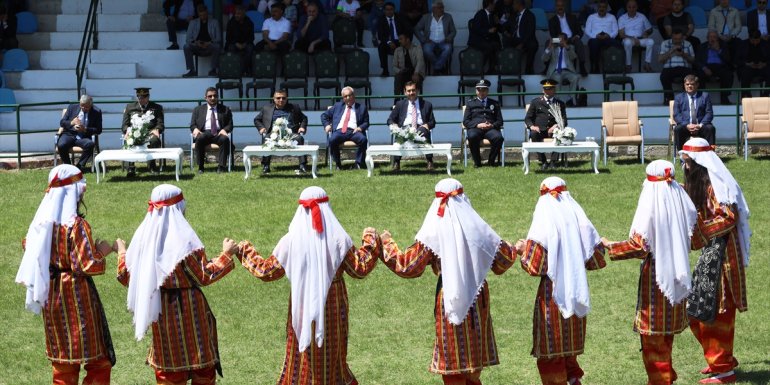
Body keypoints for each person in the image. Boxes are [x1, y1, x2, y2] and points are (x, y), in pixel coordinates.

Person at [378, 178, 518, 385]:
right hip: (478, 296)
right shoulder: (478, 227)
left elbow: (408, 266)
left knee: (453, 362)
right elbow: (503, 261)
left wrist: (386, 243)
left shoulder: (434, 229)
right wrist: (518, 247)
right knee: (472, 359)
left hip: (449, 293)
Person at [237, 186, 381, 385]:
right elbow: (359, 268)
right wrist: (371, 239)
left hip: (302, 304)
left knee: (301, 357)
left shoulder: (291, 240)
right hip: (333, 305)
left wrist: (245, 249)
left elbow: (267, 271)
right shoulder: (339, 239)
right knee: (332, 358)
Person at [116, 184, 239, 385]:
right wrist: (226, 254)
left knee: (169, 371)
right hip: (191, 311)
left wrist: (122, 252)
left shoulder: (144, 241)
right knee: (202, 369)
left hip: (161, 310)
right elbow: (203, 275)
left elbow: (125, 276)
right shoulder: (184, 241)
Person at [15, 164, 117, 384]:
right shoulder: (76, 226)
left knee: (63, 362)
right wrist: (104, 250)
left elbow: (29, 247)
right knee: (98, 359)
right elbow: (87, 265)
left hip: (51, 292)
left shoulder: (40, 224)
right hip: (76, 296)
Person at [602, 160, 697, 385]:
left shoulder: (652, 200)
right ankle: (666, 377)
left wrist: (610, 245)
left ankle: (660, 380)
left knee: (653, 336)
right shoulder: (681, 198)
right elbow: (698, 236)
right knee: (666, 335)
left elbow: (639, 245)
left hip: (657, 276)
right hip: (679, 271)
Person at [515, 176, 606, 385]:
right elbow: (596, 259)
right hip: (576, 289)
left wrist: (523, 249)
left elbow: (534, 266)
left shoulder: (544, 221)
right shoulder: (578, 218)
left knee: (551, 354)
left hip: (552, 294)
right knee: (569, 353)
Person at [680, 137, 751, 385]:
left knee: (717, 311)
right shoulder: (700, 184)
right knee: (697, 309)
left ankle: (723, 370)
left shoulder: (716, 186)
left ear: (700, 163)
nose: (686, 167)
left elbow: (728, 218)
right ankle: (720, 361)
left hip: (723, 257)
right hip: (710, 255)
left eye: (689, 163)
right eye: (684, 162)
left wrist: (698, 230)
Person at [254, 89, 309, 174]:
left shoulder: (294, 107)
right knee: (266, 138)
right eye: (278, 98)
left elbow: (304, 118)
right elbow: (257, 119)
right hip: (273, 134)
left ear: (287, 99)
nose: (281, 100)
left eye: (284, 98)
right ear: (274, 98)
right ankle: (266, 166)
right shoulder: (266, 108)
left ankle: (302, 165)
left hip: (291, 134)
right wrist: (261, 128)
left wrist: (302, 127)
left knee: (299, 138)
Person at [387, 81, 436, 171]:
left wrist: (427, 125)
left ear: (417, 91)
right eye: (409, 91)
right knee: (400, 134)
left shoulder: (427, 105)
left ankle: (430, 161)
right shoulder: (399, 104)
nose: (411, 93)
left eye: (413, 90)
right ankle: (396, 163)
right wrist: (394, 125)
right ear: (405, 92)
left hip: (420, 128)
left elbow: (433, 122)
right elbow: (390, 119)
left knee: (423, 131)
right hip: (404, 128)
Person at [121, 87, 165, 177]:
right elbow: (124, 125)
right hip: (134, 133)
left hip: (150, 133)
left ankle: (152, 166)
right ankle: (131, 168)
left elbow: (160, 124)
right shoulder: (130, 107)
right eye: (139, 97)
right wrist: (127, 131)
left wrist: (157, 129)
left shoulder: (157, 108)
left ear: (148, 97)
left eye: (144, 97)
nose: (141, 99)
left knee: (154, 141)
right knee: (129, 140)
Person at [322, 86, 369, 170]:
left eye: (350, 95)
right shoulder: (337, 106)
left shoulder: (362, 107)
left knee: (363, 139)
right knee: (332, 140)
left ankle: (358, 163)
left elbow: (366, 122)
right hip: (340, 131)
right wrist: (327, 125)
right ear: (343, 98)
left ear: (354, 95)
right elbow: (324, 115)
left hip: (354, 131)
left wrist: (360, 128)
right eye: (345, 96)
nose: (348, 98)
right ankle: (338, 164)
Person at [525, 79, 567, 170]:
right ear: (542, 90)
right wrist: (532, 126)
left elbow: (564, 120)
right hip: (539, 130)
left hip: (554, 130)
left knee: (560, 134)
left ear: (554, 90)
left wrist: (557, 125)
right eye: (545, 89)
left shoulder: (560, 103)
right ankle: (543, 161)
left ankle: (553, 161)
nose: (547, 91)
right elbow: (528, 118)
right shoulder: (535, 102)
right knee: (533, 134)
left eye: (550, 89)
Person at [190, 87, 234, 173]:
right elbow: (192, 124)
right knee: (200, 139)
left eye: (215, 96)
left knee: (225, 139)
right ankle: (201, 166)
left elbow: (230, 124)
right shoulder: (197, 110)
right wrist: (195, 129)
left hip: (219, 132)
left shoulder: (225, 109)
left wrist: (225, 129)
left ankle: (221, 166)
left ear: (218, 97)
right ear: (205, 97)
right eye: (210, 96)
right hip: (204, 132)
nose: (213, 98)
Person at [463, 79, 504, 167]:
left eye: (484, 90)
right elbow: (465, 121)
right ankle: (477, 162)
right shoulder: (470, 104)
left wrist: (492, 125)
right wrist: (477, 125)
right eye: (479, 90)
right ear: (476, 91)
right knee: (472, 136)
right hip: (476, 129)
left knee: (499, 138)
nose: (481, 92)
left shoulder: (495, 104)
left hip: (490, 129)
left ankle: (491, 161)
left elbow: (500, 121)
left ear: (487, 91)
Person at [57, 94, 103, 172]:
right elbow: (62, 122)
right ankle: (68, 167)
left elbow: (98, 130)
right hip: (70, 134)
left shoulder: (97, 112)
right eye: (82, 106)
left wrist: (85, 129)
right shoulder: (72, 107)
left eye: (86, 107)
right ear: (79, 103)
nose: (84, 108)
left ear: (91, 105)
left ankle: (79, 167)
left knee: (90, 145)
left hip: (84, 136)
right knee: (61, 145)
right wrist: (72, 123)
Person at [673, 74, 716, 151]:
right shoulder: (679, 97)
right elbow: (676, 115)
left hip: (700, 125)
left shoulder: (704, 96)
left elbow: (709, 113)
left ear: (697, 85)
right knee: (678, 129)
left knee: (710, 128)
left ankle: (710, 154)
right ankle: (682, 156)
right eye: (687, 84)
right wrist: (687, 125)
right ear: (684, 85)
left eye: (692, 84)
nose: (689, 86)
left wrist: (699, 125)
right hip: (685, 125)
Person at [414, 0, 456, 74]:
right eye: (439, 8)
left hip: (444, 41)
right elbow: (416, 29)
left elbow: (453, 31)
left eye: (442, 7)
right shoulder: (426, 17)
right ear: (433, 9)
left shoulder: (448, 17)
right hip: (430, 41)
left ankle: (437, 68)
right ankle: (440, 67)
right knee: (426, 50)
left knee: (448, 48)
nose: (442, 9)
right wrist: (423, 39)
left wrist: (448, 38)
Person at [548, 0, 588, 76]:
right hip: (559, 40)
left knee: (579, 42)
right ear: (555, 7)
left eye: (561, 6)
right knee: (548, 42)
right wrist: (561, 40)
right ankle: (547, 66)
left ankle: (582, 66)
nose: (560, 7)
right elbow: (553, 35)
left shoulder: (572, 17)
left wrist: (577, 36)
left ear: (564, 7)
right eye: (558, 6)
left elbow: (580, 32)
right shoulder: (552, 20)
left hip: (572, 39)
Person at [696, 30, 734, 105]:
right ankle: (702, 99)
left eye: (714, 37)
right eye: (710, 37)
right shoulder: (702, 46)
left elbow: (728, 60)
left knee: (728, 74)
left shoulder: (723, 45)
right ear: (707, 38)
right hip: (706, 66)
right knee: (699, 75)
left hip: (720, 67)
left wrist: (718, 50)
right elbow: (697, 60)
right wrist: (704, 68)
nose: (712, 39)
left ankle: (724, 98)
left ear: (717, 38)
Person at [183, 5, 222, 77]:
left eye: (204, 15)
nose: (203, 17)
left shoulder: (214, 22)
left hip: (209, 46)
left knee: (217, 47)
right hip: (197, 46)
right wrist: (196, 43)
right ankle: (191, 70)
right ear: (198, 14)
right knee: (186, 46)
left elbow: (218, 38)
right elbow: (188, 39)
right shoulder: (193, 22)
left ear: (207, 13)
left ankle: (213, 70)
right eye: (201, 15)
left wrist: (209, 43)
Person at [659, 28, 695, 105]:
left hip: (684, 68)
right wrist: (671, 51)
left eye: (679, 39)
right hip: (669, 68)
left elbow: (693, 60)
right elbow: (660, 60)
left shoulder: (687, 44)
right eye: (675, 39)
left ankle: (687, 99)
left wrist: (683, 54)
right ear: (672, 37)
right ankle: (669, 98)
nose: (677, 41)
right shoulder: (665, 44)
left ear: (682, 38)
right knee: (664, 77)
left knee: (690, 76)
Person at [500, 0, 537, 74]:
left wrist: (522, 44)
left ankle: (528, 70)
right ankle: (509, 68)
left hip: (526, 40)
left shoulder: (530, 15)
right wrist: (506, 32)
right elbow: (504, 26)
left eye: (514, 4)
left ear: (518, 4)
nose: (512, 6)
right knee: (506, 40)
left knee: (532, 45)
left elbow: (530, 33)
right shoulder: (514, 16)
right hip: (516, 39)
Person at [542, 36, 580, 107]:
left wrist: (565, 46)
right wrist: (549, 47)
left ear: (565, 40)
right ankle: (557, 100)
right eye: (558, 39)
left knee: (575, 77)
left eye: (561, 39)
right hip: (555, 71)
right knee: (557, 78)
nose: (559, 41)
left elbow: (574, 57)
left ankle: (570, 99)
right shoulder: (553, 48)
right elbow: (544, 59)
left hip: (567, 71)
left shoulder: (569, 47)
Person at [618, 0, 654, 72]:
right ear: (626, 8)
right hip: (628, 39)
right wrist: (633, 39)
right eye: (629, 7)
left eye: (633, 7)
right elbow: (621, 35)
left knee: (651, 41)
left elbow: (650, 29)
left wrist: (646, 32)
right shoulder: (622, 18)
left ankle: (647, 64)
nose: (631, 9)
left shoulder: (642, 16)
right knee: (627, 42)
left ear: (637, 7)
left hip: (640, 39)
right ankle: (628, 65)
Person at [584, 0, 620, 73]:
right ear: (597, 8)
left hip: (608, 38)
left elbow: (616, 31)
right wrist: (595, 36)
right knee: (593, 43)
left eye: (604, 7)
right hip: (595, 38)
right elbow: (587, 30)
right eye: (600, 7)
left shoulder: (612, 17)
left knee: (616, 43)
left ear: (607, 8)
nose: (602, 9)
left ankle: (614, 67)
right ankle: (595, 67)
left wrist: (609, 35)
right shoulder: (591, 17)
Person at [467, 0, 501, 74]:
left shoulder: (491, 15)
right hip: (477, 40)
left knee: (496, 45)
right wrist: (488, 31)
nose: (494, 6)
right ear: (489, 4)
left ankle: (492, 68)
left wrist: (497, 23)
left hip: (485, 39)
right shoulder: (480, 14)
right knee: (489, 47)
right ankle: (479, 67)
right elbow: (476, 29)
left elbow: (494, 29)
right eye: (493, 4)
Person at [376, 2, 408, 77]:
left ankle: (405, 70)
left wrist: (404, 40)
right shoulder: (381, 20)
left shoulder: (400, 17)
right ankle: (385, 70)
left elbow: (408, 29)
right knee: (381, 47)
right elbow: (380, 35)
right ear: (384, 11)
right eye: (387, 9)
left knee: (407, 47)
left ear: (394, 10)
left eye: (391, 9)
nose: (389, 11)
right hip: (388, 41)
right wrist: (389, 42)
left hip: (400, 41)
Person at [736, 29, 770, 98]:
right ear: (749, 38)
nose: (755, 43)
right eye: (753, 41)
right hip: (748, 67)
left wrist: (764, 64)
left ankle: (765, 95)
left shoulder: (765, 44)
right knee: (744, 74)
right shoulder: (743, 44)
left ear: (760, 38)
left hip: (762, 68)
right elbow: (736, 60)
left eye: (757, 40)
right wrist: (747, 64)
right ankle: (747, 96)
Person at [393, 32, 426, 98]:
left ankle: (419, 101)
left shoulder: (417, 48)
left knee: (416, 78)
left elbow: (420, 61)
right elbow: (394, 66)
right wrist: (400, 71)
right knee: (398, 78)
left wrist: (416, 73)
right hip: (404, 72)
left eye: (401, 39)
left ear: (407, 40)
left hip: (415, 71)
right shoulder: (397, 50)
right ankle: (396, 102)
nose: (399, 41)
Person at [224, 6, 255, 75]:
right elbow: (228, 38)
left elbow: (252, 37)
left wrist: (245, 44)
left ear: (243, 14)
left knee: (250, 49)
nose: (236, 15)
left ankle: (245, 69)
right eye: (236, 14)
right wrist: (236, 43)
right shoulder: (231, 22)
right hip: (234, 43)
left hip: (246, 44)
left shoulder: (249, 23)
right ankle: (234, 69)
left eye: (239, 14)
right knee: (231, 48)